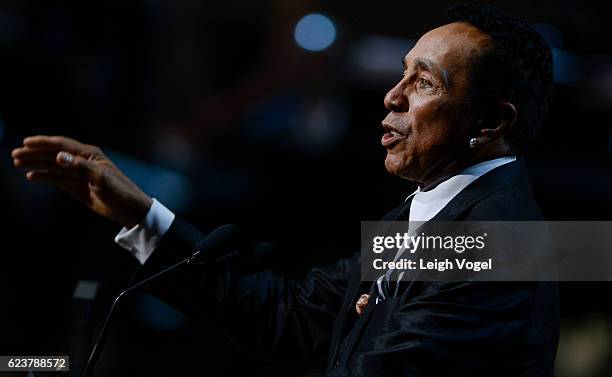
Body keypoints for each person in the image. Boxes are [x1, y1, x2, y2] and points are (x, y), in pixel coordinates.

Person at [11, 4, 559, 376]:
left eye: (423, 82)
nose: (391, 96)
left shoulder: (502, 243)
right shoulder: (424, 216)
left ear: (490, 123)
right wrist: (143, 216)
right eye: (401, 73)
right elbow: (288, 317)